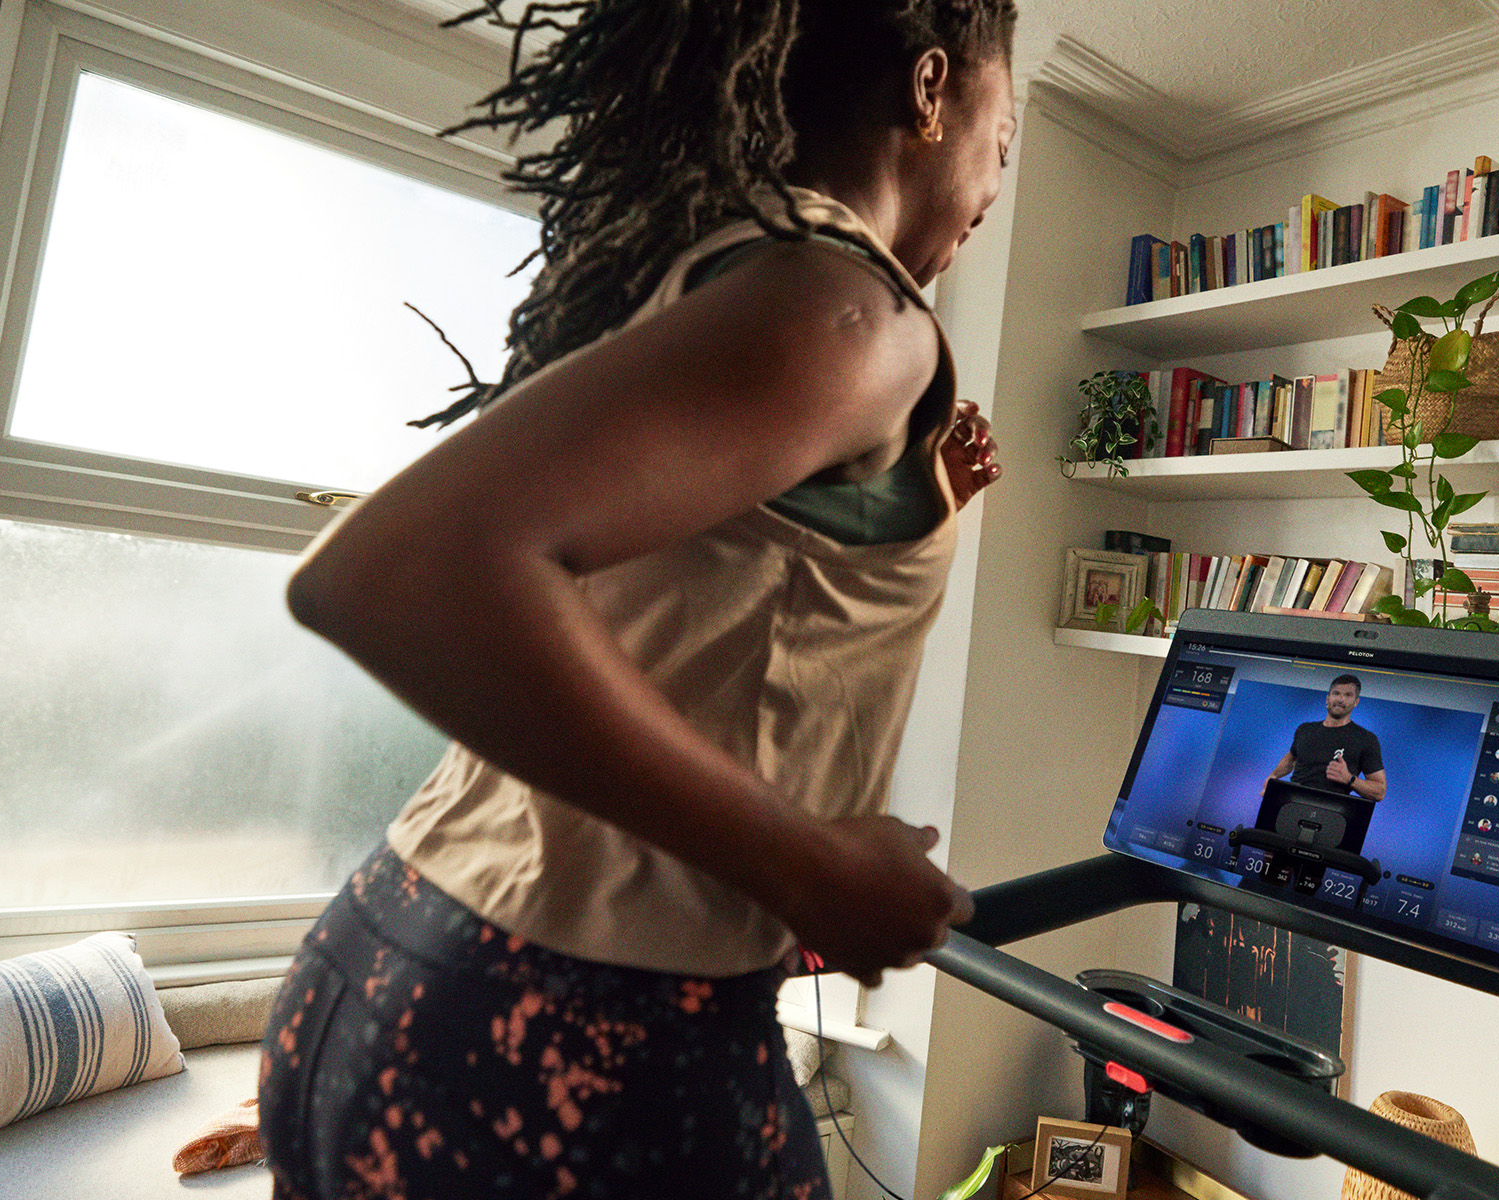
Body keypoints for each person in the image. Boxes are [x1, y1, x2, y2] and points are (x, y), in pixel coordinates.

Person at [256, 2, 1018, 1197]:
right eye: (1005, 144)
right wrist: (810, 866)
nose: (992, 192)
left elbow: (729, 604)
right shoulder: (857, 313)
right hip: (578, 1039)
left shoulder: (721, 276)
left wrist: (925, 511)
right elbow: (402, 572)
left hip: (393, 955)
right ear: (931, 91)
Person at [1263, 675, 1388, 802]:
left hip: (1329, 812)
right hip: (1292, 803)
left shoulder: (1365, 739)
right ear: (1328, 698)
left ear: (1356, 702)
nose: (1340, 699)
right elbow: (1291, 758)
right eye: (1336, 693)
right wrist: (1273, 776)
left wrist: (1350, 779)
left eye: (1348, 695)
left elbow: (1379, 792)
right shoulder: (1305, 729)